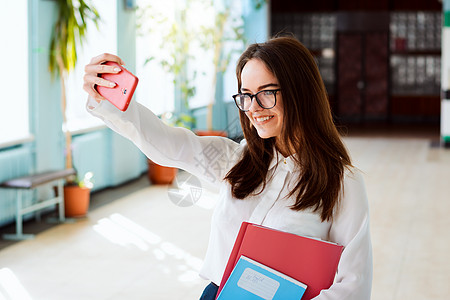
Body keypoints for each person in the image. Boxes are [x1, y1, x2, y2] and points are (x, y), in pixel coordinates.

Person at [83, 35, 372, 299]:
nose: (253, 108)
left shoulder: (343, 182)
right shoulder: (234, 160)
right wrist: (106, 100)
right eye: (246, 95)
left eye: (266, 93)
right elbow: (167, 143)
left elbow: (353, 286)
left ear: (301, 91)